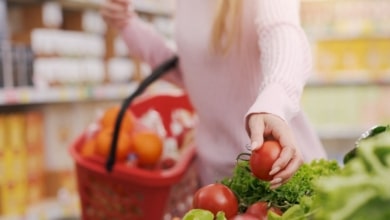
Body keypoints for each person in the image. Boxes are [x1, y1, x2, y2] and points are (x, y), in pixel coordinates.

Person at [101, 0, 327, 189]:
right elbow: (192, 71)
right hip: (217, 178)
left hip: (279, 169)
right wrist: (126, 24)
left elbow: (282, 32)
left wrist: (274, 101)